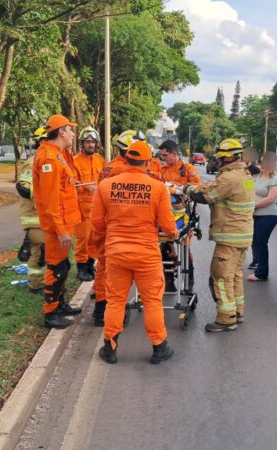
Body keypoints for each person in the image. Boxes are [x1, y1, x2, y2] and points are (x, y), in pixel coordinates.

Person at [91, 140, 177, 364]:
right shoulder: (157, 187)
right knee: (152, 302)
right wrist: (172, 235)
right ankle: (159, 348)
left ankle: (110, 348)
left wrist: (103, 247)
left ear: (126, 159)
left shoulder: (105, 186)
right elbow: (168, 226)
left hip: (116, 253)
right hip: (146, 254)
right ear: (148, 162)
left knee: (115, 301)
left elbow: (97, 223)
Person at [185, 138, 255, 332]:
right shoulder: (245, 175)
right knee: (235, 275)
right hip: (243, 235)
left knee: (221, 277)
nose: (218, 160)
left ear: (227, 158)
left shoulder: (229, 178)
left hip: (230, 236)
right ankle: (237, 312)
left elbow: (206, 197)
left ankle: (226, 319)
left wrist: (186, 188)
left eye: (220, 157)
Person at [91, 129, 148, 327]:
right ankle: (110, 311)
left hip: (106, 225)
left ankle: (100, 310)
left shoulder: (108, 168)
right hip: (121, 227)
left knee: (104, 268)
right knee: (117, 274)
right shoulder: (124, 171)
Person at [32, 114, 83, 329]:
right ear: (62, 132)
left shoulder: (57, 154)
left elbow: (67, 182)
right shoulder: (49, 159)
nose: (72, 134)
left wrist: (68, 151)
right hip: (56, 225)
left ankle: (60, 304)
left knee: (63, 265)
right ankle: (50, 313)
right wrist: (61, 230)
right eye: (70, 130)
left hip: (64, 221)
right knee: (56, 267)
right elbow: (51, 200)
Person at [159, 139, 202, 291]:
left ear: (174, 153)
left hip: (184, 214)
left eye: (165, 155)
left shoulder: (188, 169)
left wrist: (180, 189)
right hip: (166, 213)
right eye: (162, 155)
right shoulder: (163, 170)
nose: (163, 158)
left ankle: (189, 281)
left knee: (185, 248)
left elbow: (198, 189)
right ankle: (169, 282)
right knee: (166, 247)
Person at [16, 127, 47, 294]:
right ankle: (36, 285)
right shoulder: (32, 163)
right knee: (38, 252)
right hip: (34, 217)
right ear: (41, 142)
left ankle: (43, 282)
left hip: (44, 216)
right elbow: (23, 188)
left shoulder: (46, 161)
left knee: (45, 251)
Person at [73, 126, 104, 282]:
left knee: (95, 238)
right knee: (83, 239)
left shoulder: (100, 160)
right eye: (87, 142)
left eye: (93, 142)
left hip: (97, 207)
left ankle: (90, 264)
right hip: (81, 208)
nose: (90, 145)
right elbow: (71, 182)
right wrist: (86, 187)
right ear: (82, 143)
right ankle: (81, 267)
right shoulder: (75, 161)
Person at [247, 152, 277, 282]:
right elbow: (246, 190)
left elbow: (270, 199)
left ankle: (261, 273)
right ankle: (260, 269)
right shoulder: (256, 177)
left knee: (260, 243)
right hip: (254, 215)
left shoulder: (275, 179)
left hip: (268, 216)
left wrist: (253, 206)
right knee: (255, 242)